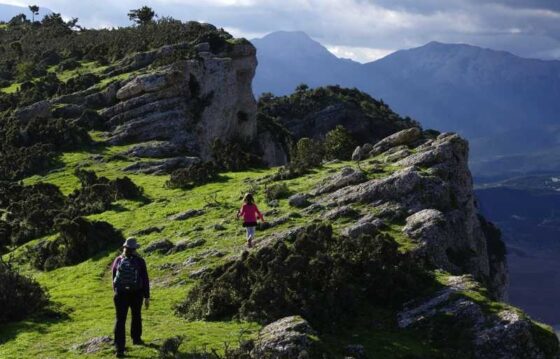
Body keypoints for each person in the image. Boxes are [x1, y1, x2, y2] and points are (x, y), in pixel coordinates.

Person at [111, 237, 150, 358]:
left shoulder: (118, 260)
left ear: (124, 248)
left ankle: (119, 349)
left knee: (120, 319)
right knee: (136, 314)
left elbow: (113, 276)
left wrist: (117, 290)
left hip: (121, 294)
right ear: (135, 249)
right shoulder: (140, 261)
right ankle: (136, 339)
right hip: (136, 293)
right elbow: (145, 279)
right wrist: (147, 296)